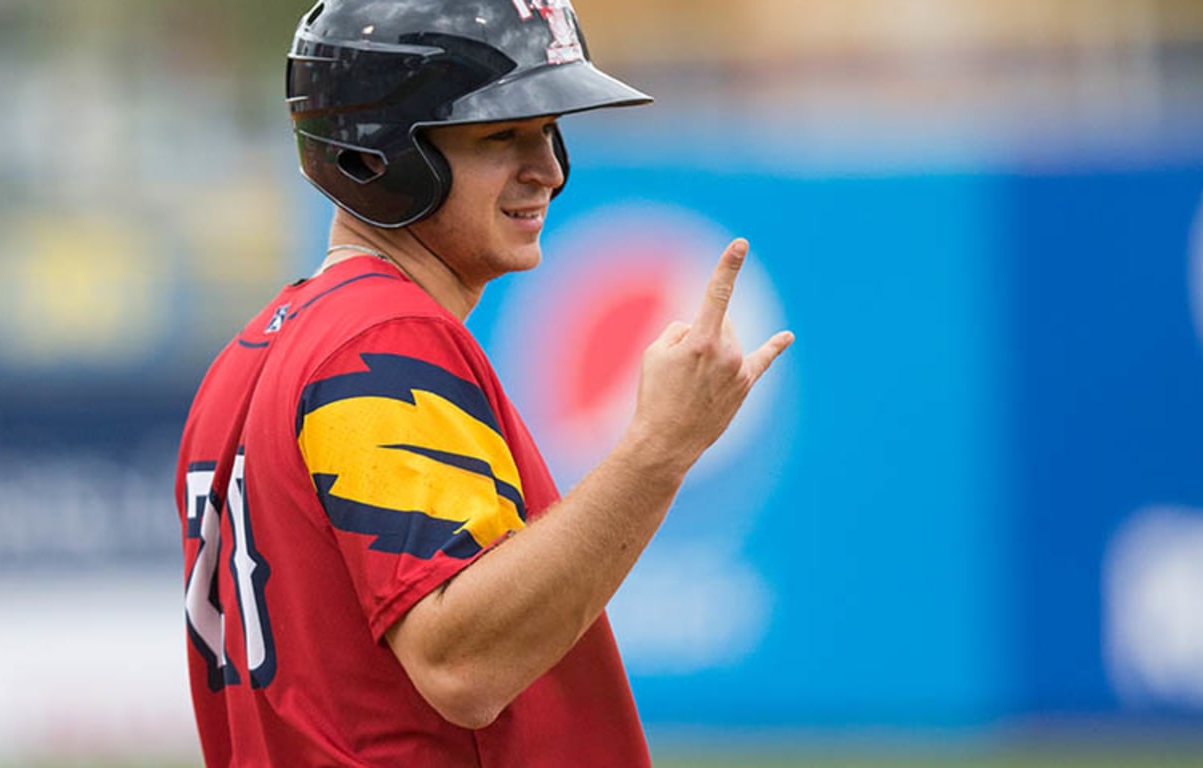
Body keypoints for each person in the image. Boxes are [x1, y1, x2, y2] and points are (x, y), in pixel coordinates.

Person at [174, 0, 794, 764]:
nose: (550, 170)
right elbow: (461, 663)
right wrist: (659, 449)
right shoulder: (380, 338)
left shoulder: (257, 351)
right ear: (377, 155)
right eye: (503, 135)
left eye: (549, 131)